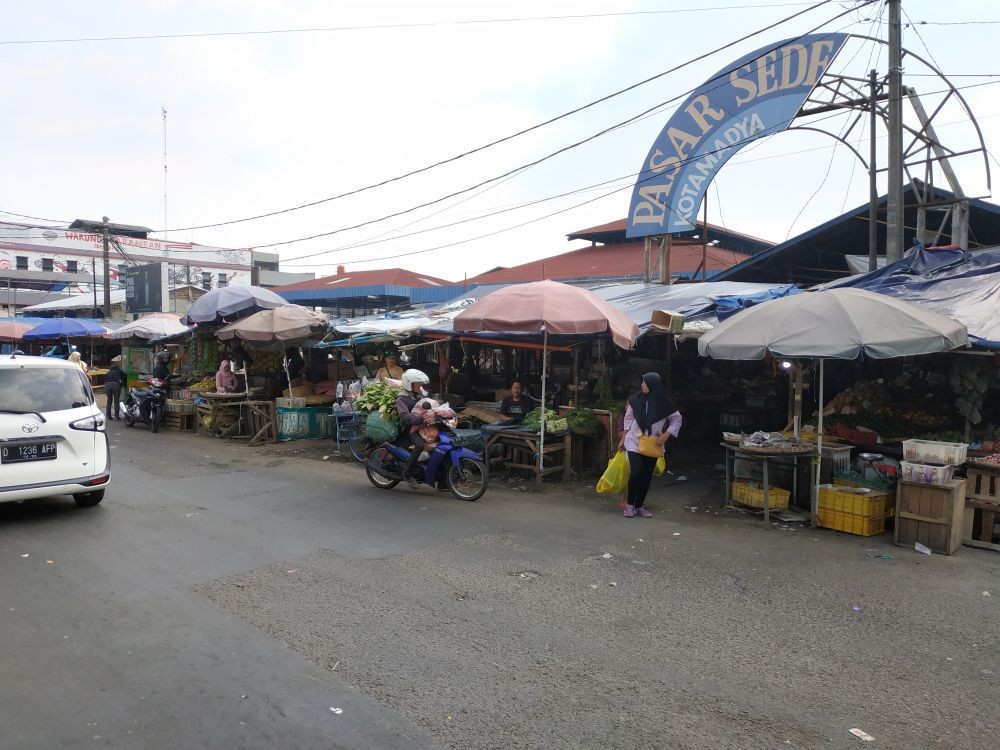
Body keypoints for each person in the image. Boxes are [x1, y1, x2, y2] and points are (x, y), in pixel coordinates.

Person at [621, 372, 682, 518]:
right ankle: (630, 505)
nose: (642, 385)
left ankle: (639, 505)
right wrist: (623, 439)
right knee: (636, 471)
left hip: (653, 442)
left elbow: (677, 419)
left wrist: (666, 435)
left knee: (646, 475)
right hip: (634, 441)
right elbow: (627, 420)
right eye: (642, 382)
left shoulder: (664, 402)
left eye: (645, 383)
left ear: (653, 385)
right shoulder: (635, 400)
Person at [395, 369, 437, 488]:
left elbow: (428, 405)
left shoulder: (418, 395)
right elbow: (405, 416)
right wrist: (422, 419)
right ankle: (408, 473)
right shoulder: (401, 399)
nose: (420, 387)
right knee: (420, 445)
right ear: (409, 384)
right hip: (410, 429)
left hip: (422, 426)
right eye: (418, 385)